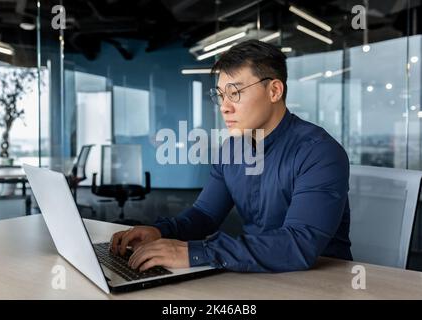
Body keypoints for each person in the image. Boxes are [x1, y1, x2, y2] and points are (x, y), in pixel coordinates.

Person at [110, 39, 352, 272]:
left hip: (321, 281)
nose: (224, 106)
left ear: (275, 90)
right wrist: (161, 232)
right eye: (221, 95)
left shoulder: (319, 152)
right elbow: (204, 215)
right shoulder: (231, 150)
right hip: (256, 273)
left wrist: (195, 252)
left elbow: (299, 244)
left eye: (235, 93)